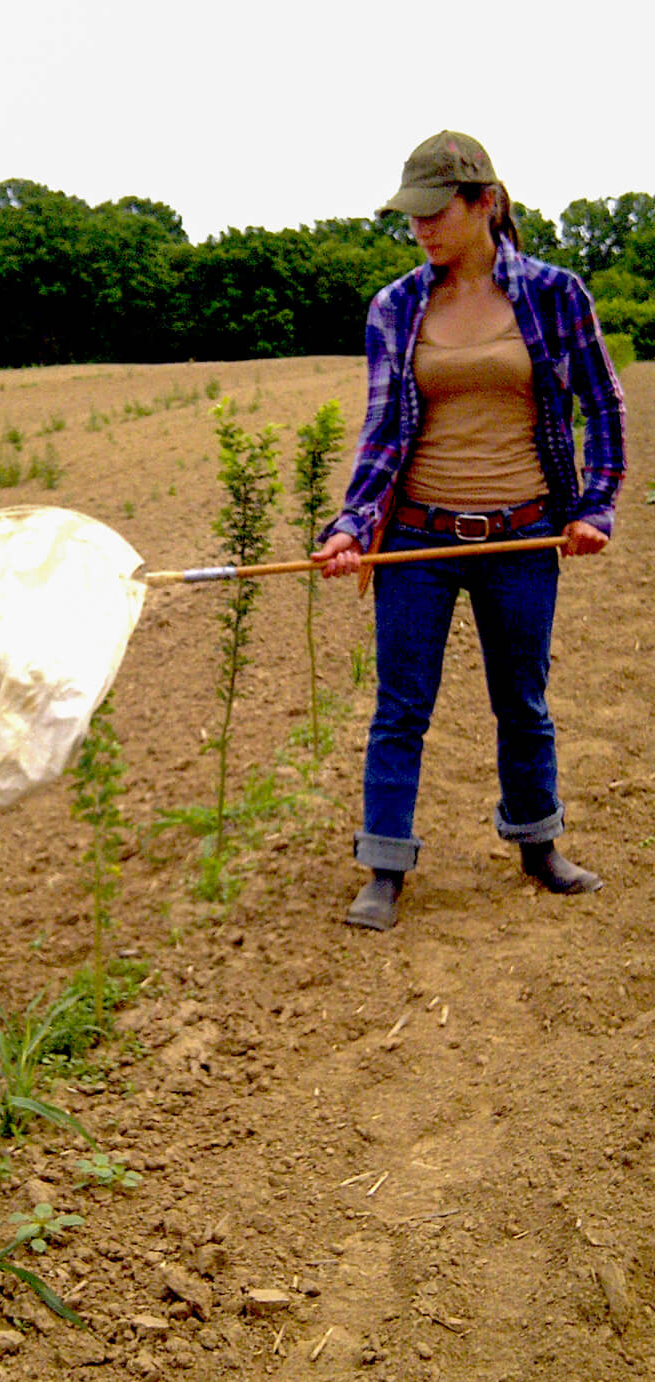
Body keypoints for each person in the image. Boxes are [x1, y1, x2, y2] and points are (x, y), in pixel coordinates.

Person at [311, 130, 626, 931]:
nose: (420, 228)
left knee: (521, 700)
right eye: (409, 216)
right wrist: (352, 526)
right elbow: (382, 432)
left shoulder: (556, 295)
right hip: (417, 537)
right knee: (400, 705)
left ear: (485, 202)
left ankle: (538, 845)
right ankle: (384, 863)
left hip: (522, 535)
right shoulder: (397, 305)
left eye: (434, 211)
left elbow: (605, 405)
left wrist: (593, 506)